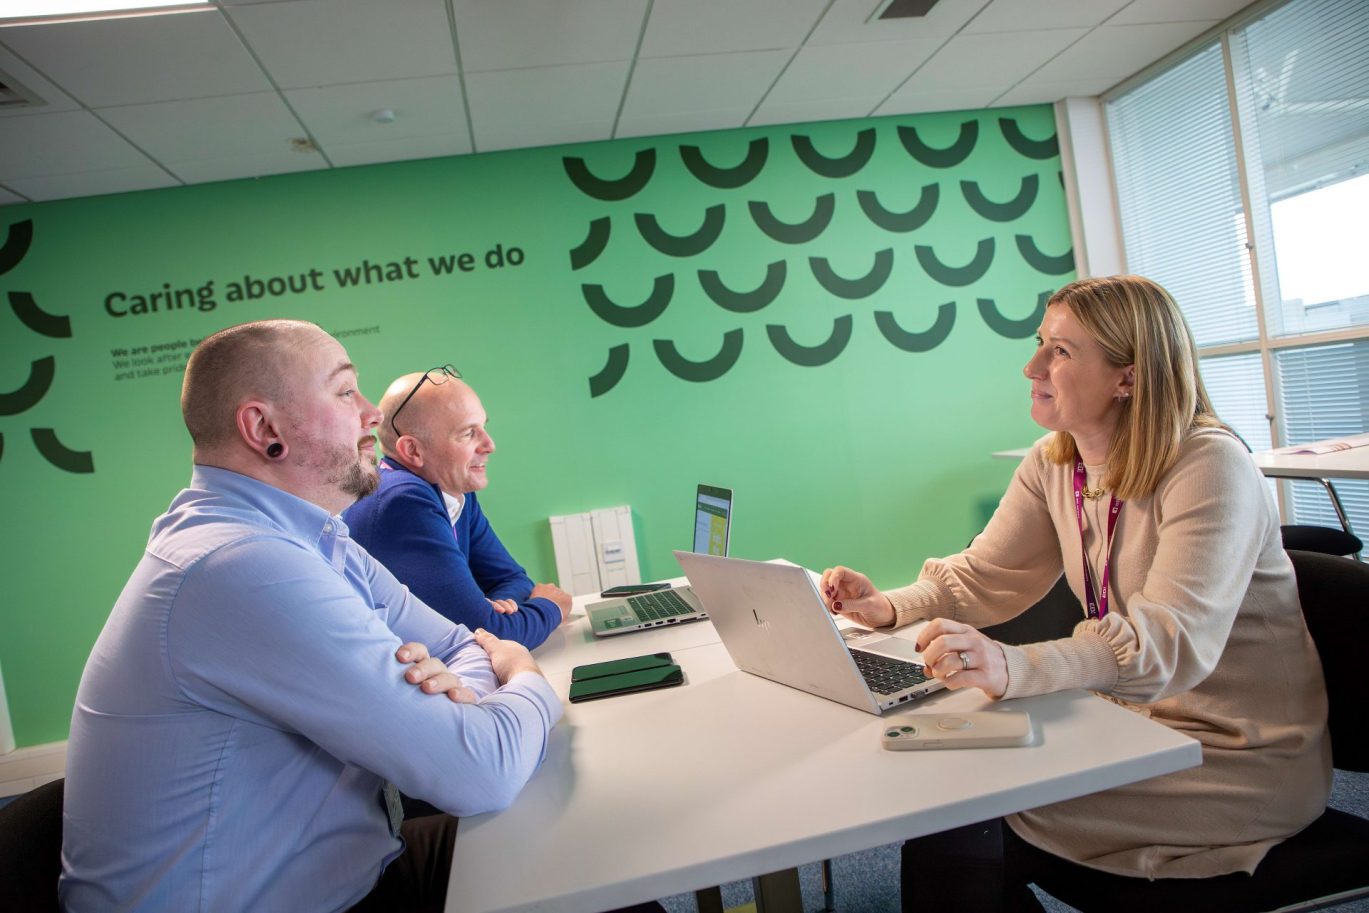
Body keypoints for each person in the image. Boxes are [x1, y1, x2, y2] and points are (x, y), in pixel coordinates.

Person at [820, 275, 1331, 910]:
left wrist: (1017, 664)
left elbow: (1165, 642)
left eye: (1060, 351)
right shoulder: (1056, 461)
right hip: (1130, 723)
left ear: (1130, 377)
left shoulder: (1209, 466)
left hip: (1233, 755)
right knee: (951, 802)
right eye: (1041, 343)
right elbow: (985, 574)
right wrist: (891, 605)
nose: (1031, 365)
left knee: (961, 807)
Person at [60, 320, 561, 913]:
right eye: (347, 391)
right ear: (264, 428)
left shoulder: (311, 538)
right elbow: (482, 771)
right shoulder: (240, 566)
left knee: (574, 854)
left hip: (347, 871)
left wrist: (463, 684)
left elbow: (461, 644)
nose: (373, 413)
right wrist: (527, 678)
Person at [343, 366, 571, 650]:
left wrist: (502, 606)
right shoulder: (402, 500)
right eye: (467, 434)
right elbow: (492, 635)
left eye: (484, 428)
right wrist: (551, 606)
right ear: (413, 451)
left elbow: (512, 577)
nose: (490, 445)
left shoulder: (451, 487)